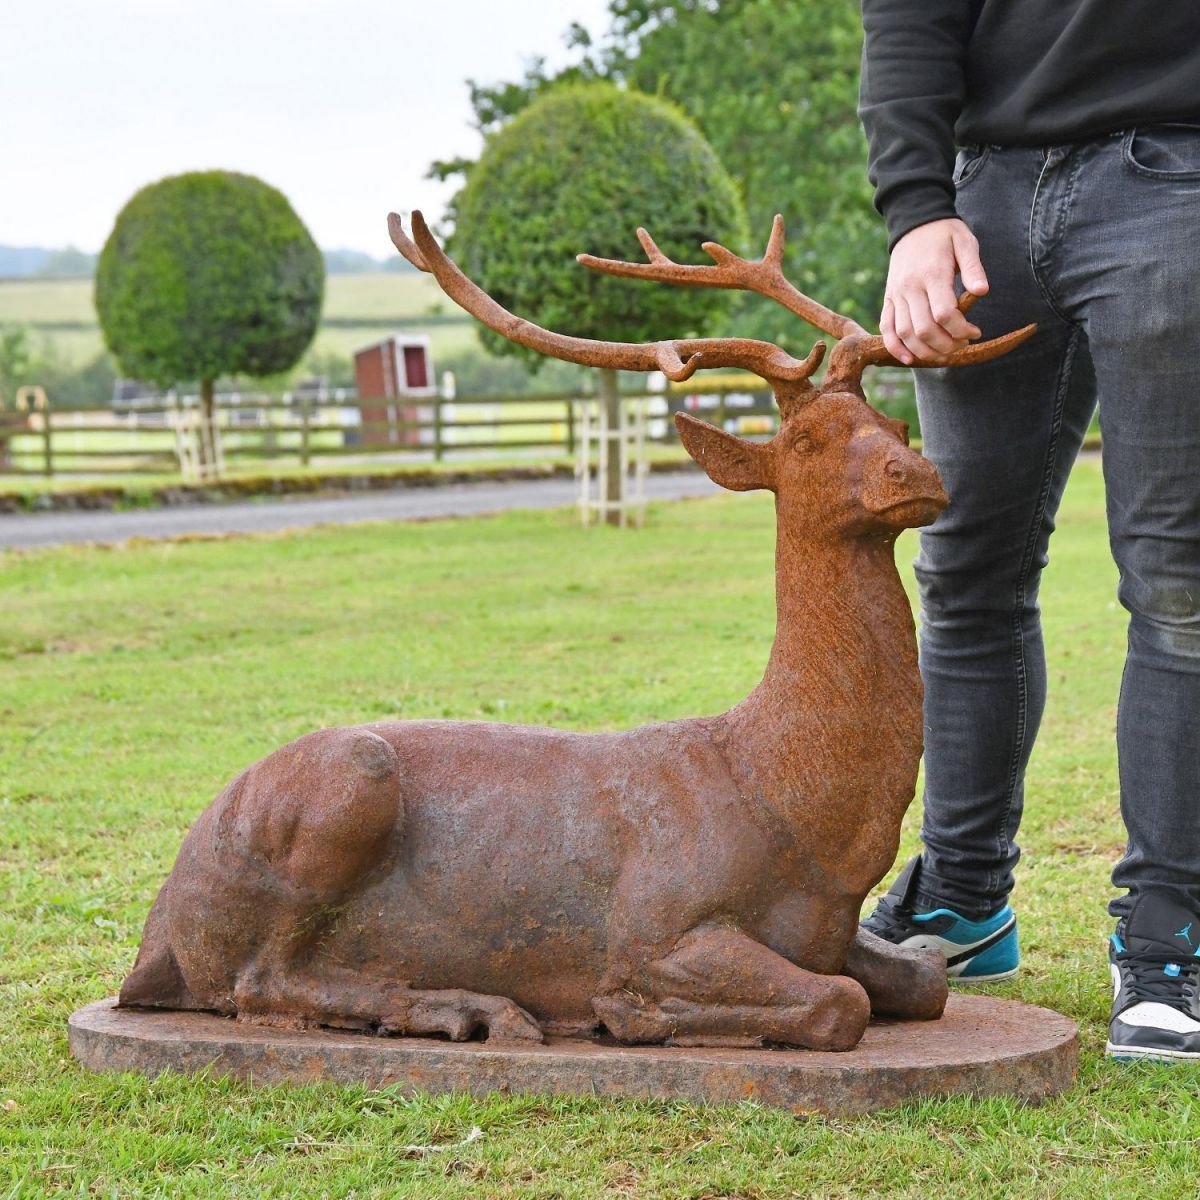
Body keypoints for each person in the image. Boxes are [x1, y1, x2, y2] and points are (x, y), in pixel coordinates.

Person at [856, 1, 1200, 1062]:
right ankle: (962, 901)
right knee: (965, 571)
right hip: (985, 196)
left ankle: (1170, 936)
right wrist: (915, 209)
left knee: (1179, 584)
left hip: (1177, 182)